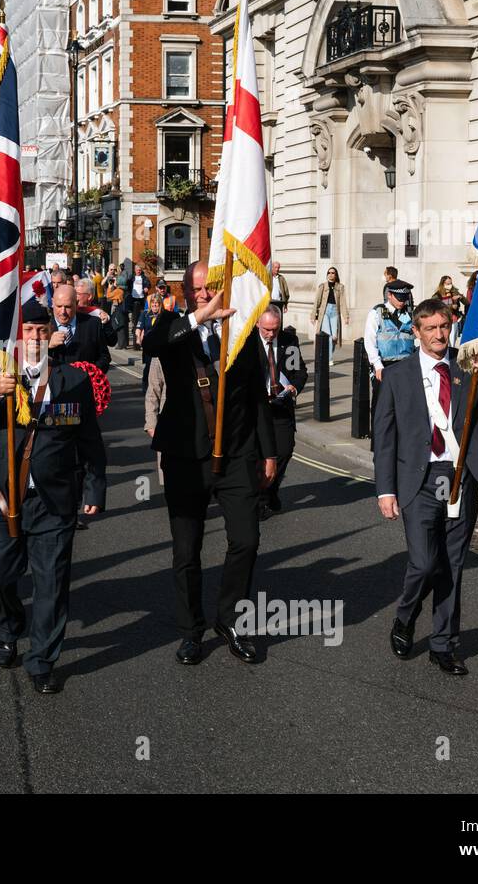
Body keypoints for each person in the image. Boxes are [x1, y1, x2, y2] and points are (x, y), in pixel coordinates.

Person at [0, 299, 106, 694]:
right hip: (0, 496)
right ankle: (9, 626)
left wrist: (95, 486)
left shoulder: (72, 380)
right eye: (28, 331)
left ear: (51, 336)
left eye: (42, 331)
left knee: (52, 583)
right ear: (16, 336)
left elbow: (89, 438)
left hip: (53, 500)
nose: (35, 337)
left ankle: (42, 658)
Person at [145, 261, 277, 667]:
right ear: (184, 291)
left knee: (247, 540)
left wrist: (268, 451)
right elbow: (153, 345)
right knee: (187, 551)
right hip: (186, 456)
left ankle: (229, 619)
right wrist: (199, 317)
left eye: (208, 288)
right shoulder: (171, 326)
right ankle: (191, 631)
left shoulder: (240, 329)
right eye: (195, 289)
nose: (203, 294)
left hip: (236, 453)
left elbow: (257, 396)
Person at [374, 299, 478, 676]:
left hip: (462, 476)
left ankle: (443, 644)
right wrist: (386, 490)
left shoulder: (468, 369)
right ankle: (406, 615)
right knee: (424, 563)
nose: (438, 334)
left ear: (451, 328)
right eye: (430, 328)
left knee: (452, 566)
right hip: (420, 479)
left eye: (443, 327)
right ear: (416, 333)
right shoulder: (397, 376)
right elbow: (384, 439)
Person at [257, 305, 307, 516]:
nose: (270, 334)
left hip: (281, 406)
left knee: (284, 451)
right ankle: (260, 499)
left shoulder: (289, 342)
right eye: (266, 329)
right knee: (260, 455)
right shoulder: (248, 342)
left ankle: (271, 489)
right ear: (258, 324)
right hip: (257, 408)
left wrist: (294, 387)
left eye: (274, 329)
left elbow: (299, 372)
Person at [364, 279, 416, 442]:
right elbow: (369, 341)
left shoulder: (410, 314)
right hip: (384, 366)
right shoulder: (377, 313)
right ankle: (379, 441)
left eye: (405, 298)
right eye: (399, 298)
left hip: (406, 365)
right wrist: (377, 365)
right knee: (382, 407)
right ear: (390, 295)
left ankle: (402, 440)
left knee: (405, 406)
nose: (402, 302)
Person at [47, 284, 111, 374]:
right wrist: (47, 346)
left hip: (84, 385)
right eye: (59, 306)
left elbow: (104, 357)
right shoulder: (43, 327)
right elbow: (31, 360)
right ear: (52, 303)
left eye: (68, 307)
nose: (63, 312)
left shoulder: (93, 324)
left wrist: (92, 374)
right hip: (53, 386)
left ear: (76, 304)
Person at [309, 267, 348, 356]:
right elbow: (317, 302)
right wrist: (313, 316)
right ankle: (329, 358)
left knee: (334, 337)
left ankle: (328, 353)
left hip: (335, 312)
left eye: (333, 273)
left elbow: (343, 302)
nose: (331, 274)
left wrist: (346, 316)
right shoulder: (322, 286)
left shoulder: (340, 287)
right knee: (329, 336)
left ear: (336, 275)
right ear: (327, 275)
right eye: (329, 273)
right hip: (325, 312)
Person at [136, 292, 164, 392]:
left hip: (161, 345)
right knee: (149, 365)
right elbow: (138, 328)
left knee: (161, 366)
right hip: (148, 345)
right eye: (153, 303)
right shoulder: (145, 314)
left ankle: (160, 386)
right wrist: (138, 338)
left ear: (160, 304)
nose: (154, 305)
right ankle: (145, 383)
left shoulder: (164, 315)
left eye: (157, 303)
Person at [433, 275, 467, 348]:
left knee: (453, 340)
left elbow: (466, 302)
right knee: (444, 339)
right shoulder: (438, 295)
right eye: (447, 284)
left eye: (450, 283)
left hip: (453, 319)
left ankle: (452, 354)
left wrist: (461, 297)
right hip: (443, 319)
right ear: (443, 284)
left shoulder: (454, 292)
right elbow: (435, 305)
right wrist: (451, 306)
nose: (450, 285)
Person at [127, 264, 151, 348]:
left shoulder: (144, 277)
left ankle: (140, 340)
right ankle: (135, 342)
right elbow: (127, 284)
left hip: (141, 299)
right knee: (134, 320)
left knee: (141, 318)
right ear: (135, 270)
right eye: (138, 270)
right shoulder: (131, 277)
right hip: (133, 299)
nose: (139, 271)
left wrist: (147, 287)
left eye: (140, 270)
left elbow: (148, 284)